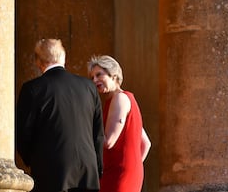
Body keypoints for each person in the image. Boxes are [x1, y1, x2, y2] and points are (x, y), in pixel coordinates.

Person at [16, 39, 104, 192]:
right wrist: (97, 167)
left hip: (51, 171)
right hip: (87, 172)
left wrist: (33, 160)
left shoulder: (32, 89)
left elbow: (23, 134)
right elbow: (98, 134)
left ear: (39, 61)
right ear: (64, 58)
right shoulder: (89, 87)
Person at [87, 55, 151, 192]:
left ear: (114, 75)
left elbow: (108, 141)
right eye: (92, 77)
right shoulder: (124, 99)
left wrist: (83, 130)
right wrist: (134, 166)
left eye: (99, 75)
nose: (95, 80)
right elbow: (146, 144)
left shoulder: (119, 99)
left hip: (118, 173)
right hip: (122, 170)